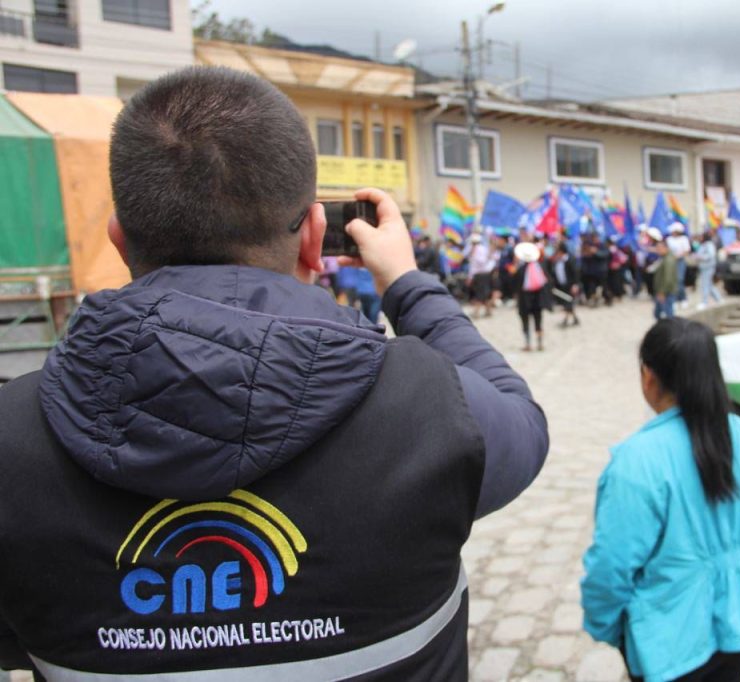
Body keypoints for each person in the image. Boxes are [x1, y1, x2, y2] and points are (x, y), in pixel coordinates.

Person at [0, 66, 549, 680]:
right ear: (316, 237)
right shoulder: (433, 408)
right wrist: (407, 283)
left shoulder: (12, 438)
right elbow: (521, 421)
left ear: (120, 240)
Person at [582, 318, 740, 682]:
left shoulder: (638, 461)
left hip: (667, 643)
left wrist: (605, 625)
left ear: (648, 377)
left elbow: (611, 563)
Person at [513, 242, 551, 351]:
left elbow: (515, 285)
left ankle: (528, 344)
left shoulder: (521, 270)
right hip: (538, 300)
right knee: (538, 321)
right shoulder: (540, 267)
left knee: (525, 322)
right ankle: (540, 343)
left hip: (525, 300)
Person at [550, 241, 581, 328]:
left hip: (571, 285)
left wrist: (575, 284)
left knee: (568, 302)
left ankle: (566, 319)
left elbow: (576, 273)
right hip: (562, 285)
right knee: (567, 302)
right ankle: (575, 318)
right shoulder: (557, 261)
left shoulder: (570, 259)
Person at [647, 229, 676, 320]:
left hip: (665, 291)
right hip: (662, 290)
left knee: (668, 314)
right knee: (659, 313)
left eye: (659, 249)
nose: (658, 251)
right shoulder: (664, 258)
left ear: (665, 248)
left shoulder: (668, 260)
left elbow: (668, 278)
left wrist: (662, 292)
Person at [465, 232, 495, 318]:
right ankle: (488, 311)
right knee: (484, 294)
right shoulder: (474, 250)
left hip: (481, 274)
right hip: (479, 274)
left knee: (480, 294)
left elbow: (481, 262)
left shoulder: (480, 249)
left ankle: (477, 312)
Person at [666, 222, 691, 309]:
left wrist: (678, 256)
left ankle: (683, 298)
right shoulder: (669, 239)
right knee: (673, 281)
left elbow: (686, 250)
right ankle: (675, 300)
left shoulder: (684, 239)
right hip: (671, 261)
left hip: (680, 261)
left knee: (680, 280)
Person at [696, 232, 722, 309]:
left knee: (705, 285)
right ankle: (718, 299)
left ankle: (704, 302)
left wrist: (701, 257)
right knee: (709, 285)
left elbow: (711, 255)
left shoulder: (709, 245)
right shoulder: (702, 245)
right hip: (703, 267)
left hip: (708, 267)